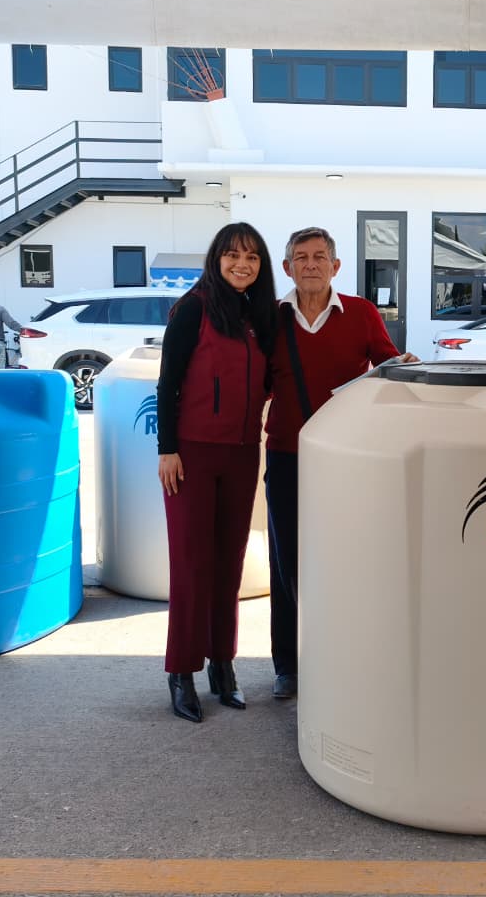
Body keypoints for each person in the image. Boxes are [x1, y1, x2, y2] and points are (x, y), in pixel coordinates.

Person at [264, 226, 416, 699]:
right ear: (287, 268)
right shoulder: (271, 319)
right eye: (301, 257)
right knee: (287, 564)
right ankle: (288, 666)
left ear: (336, 266)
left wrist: (404, 367)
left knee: (348, 559)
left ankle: (344, 658)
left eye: (319, 256)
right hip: (286, 455)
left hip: (346, 459)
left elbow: (387, 369)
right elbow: (255, 383)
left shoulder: (362, 313)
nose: (310, 264)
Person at [156, 222, 277, 722]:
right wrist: (168, 449)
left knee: (229, 564)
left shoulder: (259, 314)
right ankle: (181, 671)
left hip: (243, 452)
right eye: (233, 255)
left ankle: (222, 665)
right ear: (217, 258)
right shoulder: (194, 308)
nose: (242, 264)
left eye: (252, 257)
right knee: (191, 565)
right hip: (192, 454)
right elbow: (168, 382)